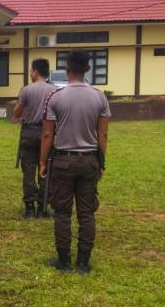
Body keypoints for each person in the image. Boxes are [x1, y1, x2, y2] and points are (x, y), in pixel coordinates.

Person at [39, 50, 111, 274]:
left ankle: (64, 260)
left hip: (63, 161)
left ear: (67, 69)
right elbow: (103, 135)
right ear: (87, 70)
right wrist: (101, 163)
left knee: (62, 212)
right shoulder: (100, 97)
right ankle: (83, 261)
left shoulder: (56, 97)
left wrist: (42, 162)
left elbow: (48, 135)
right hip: (89, 160)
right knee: (86, 213)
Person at [13, 59, 56, 219]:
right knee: (45, 171)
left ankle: (29, 208)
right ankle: (42, 207)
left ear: (35, 72)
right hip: (48, 134)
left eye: (31, 71)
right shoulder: (54, 91)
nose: (30, 74)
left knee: (28, 172)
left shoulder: (26, 90)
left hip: (29, 133)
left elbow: (17, 113)